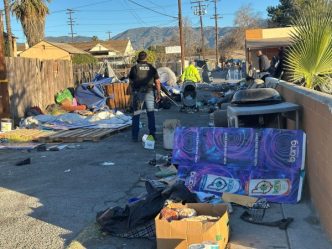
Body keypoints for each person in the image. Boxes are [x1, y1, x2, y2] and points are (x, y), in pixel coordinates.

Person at [128, 51, 161, 142]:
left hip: (138, 93)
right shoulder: (152, 68)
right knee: (150, 114)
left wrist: (130, 97)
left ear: (138, 58)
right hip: (149, 92)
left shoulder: (134, 68)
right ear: (146, 58)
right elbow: (157, 82)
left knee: (136, 115)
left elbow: (130, 83)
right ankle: (152, 135)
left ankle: (135, 137)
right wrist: (158, 93)